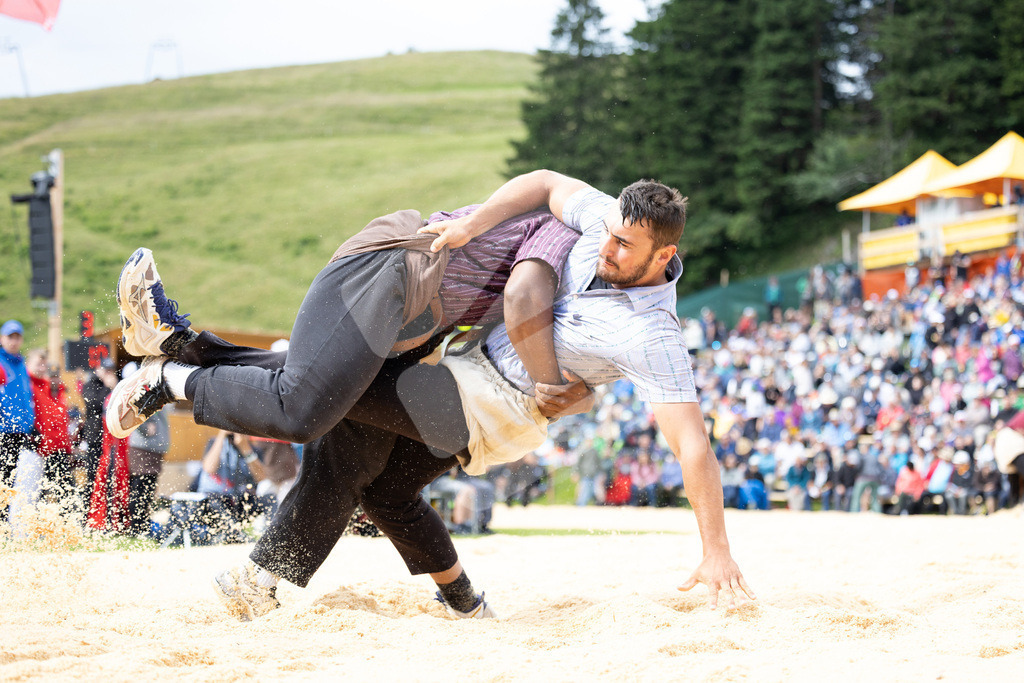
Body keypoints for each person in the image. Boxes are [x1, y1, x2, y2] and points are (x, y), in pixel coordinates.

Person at [110, 169, 755, 618]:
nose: (606, 248)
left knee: (315, 402)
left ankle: (176, 370)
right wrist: (478, 220)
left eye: (624, 246)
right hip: (461, 375)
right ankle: (451, 597)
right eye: (610, 232)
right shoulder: (590, 222)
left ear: (665, 252)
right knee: (361, 467)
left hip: (485, 398)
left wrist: (717, 551)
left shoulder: (652, 333)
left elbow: (693, 446)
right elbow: (548, 184)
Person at [1, 319, 34, 522]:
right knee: (3, 477)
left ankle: (3, 524)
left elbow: (25, 397)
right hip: (3, 429)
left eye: (17, 337)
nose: (13, 341)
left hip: (19, 430)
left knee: (9, 479)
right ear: (2, 338)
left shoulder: (21, 363)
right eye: (10, 337)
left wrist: (30, 424)